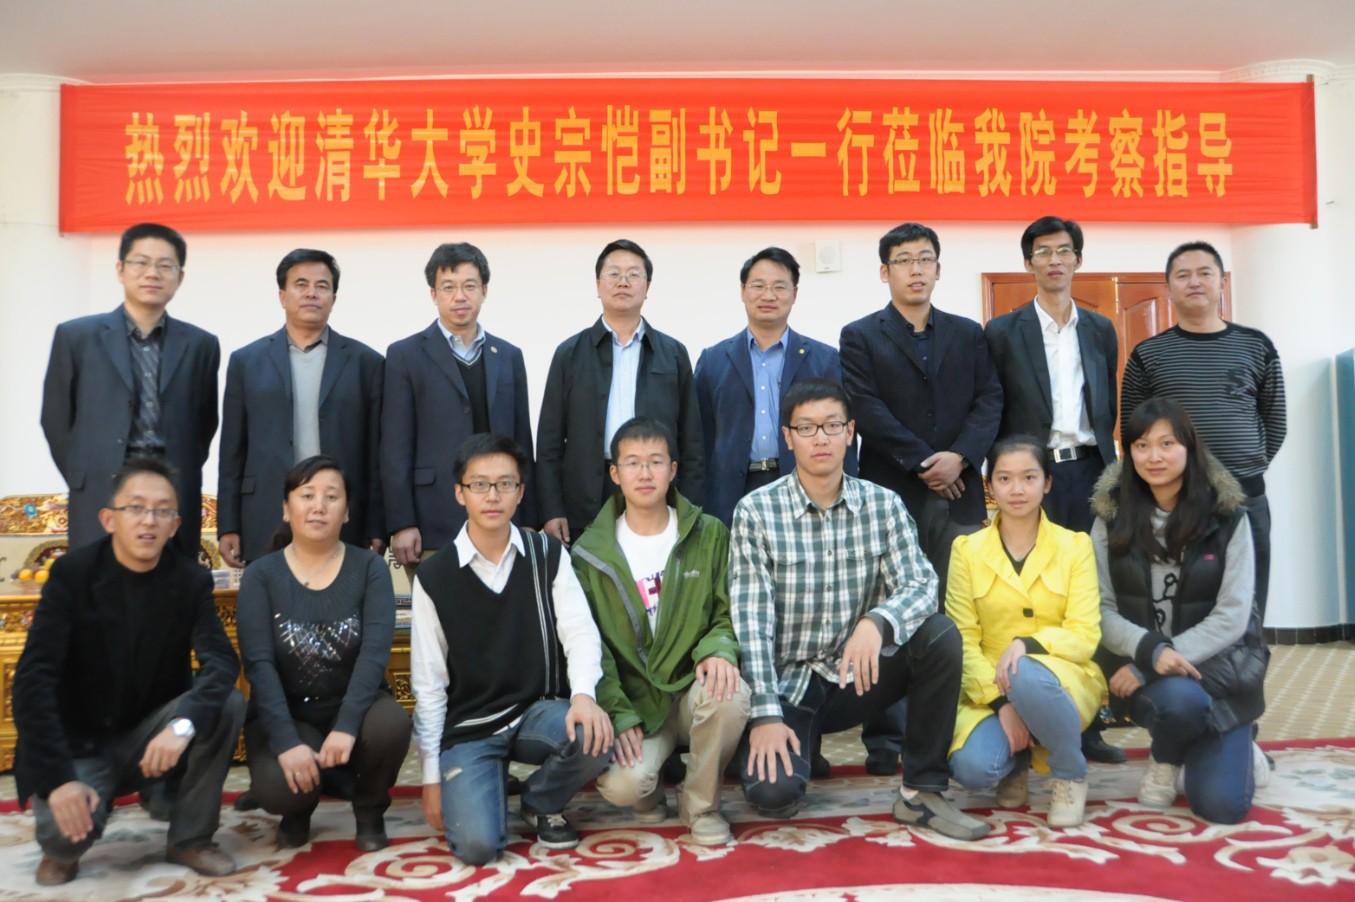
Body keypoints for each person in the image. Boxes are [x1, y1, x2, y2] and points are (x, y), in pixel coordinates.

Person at [729, 378, 989, 841]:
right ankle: (776, 748)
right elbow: (752, 622)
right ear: (787, 437)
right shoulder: (756, 512)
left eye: (832, 425)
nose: (821, 438)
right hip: (790, 685)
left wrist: (877, 622)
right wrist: (765, 716)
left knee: (938, 635)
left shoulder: (883, 504)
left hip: (857, 676)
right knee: (774, 796)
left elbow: (922, 584)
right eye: (806, 428)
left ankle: (922, 792)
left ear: (850, 432)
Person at [13, 457, 245, 886]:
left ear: (175, 525)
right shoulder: (72, 575)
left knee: (226, 704)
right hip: (79, 744)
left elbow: (221, 662)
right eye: (136, 508)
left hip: (150, 738)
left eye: (162, 511)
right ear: (109, 519)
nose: (148, 521)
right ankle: (78, 818)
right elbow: (32, 681)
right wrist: (58, 779)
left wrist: (181, 725)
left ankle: (190, 838)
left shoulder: (189, 580)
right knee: (64, 842)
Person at [840, 221, 1002, 775]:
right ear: (885, 272)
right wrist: (926, 462)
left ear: (938, 268)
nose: (916, 269)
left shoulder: (968, 333)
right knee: (888, 610)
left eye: (925, 259)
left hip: (960, 494)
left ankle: (954, 727)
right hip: (892, 494)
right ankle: (887, 737)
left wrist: (961, 456)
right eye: (904, 260)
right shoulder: (860, 336)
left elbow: (989, 400)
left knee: (957, 611)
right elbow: (866, 408)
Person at [410, 434, 612, 865]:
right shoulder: (434, 576)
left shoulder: (547, 554)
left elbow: (579, 631)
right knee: (478, 847)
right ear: (459, 493)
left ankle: (540, 800)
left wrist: (583, 696)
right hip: (471, 725)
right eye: (479, 484)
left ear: (520, 492)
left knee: (594, 735)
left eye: (505, 484)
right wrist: (431, 779)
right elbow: (429, 683)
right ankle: (486, 780)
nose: (492, 496)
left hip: (538, 711)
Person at [984, 216, 1125, 766]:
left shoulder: (1100, 329)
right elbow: (995, 408)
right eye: (1043, 252)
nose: (1055, 260)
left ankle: (1089, 725)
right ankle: (1027, 710)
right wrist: (1006, 477)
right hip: (1032, 475)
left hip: (1090, 473)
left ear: (1078, 260)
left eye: (1064, 251)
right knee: (1036, 592)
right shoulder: (1002, 332)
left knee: (1092, 592)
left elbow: (1106, 407)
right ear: (1029, 264)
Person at [572, 417, 749, 846]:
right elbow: (591, 647)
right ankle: (649, 794)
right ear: (615, 474)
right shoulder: (589, 554)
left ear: (673, 469)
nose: (645, 473)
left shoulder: (708, 534)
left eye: (655, 461)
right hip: (637, 703)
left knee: (731, 694)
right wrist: (618, 712)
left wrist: (718, 650)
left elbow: (726, 612)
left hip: (691, 691)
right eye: (632, 462)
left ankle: (701, 805)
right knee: (625, 786)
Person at [1091, 398, 1268, 824]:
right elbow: (1100, 609)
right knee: (1182, 703)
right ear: (1129, 453)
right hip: (1157, 678)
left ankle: (1237, 738)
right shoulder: (1109, 518)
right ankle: (1167, 756)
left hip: (1219, 670)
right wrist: (1149, 651)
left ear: (1189, 447)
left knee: (1221, 806)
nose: (1154, 456)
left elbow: (1233, 615)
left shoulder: (1228, 516)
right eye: (1142, 445)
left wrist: (1154, 660)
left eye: (1167, 444)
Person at [236, 455, 411, 851]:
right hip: (290, 713)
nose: (319, 506)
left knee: (391, 725)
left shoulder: (369, 568)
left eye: (331, 497)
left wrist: (347, 726)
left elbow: (374, 655)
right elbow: (259, 666)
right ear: (286, 508)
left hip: (354, 707)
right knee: (280, 790)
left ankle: (369, 809)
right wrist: (286, 741)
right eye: (307, 495)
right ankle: (299, 809)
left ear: (346, 512)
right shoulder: (261, 575)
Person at [945, 436, 1107, 828]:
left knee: (1026, 671)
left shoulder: (1075, 546)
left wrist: (1028, 645)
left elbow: (1085, 634)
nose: (1017, 489)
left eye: (1029, 477)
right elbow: (962, 639)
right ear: (990, 485)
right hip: (990, 686)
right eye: (1004, 479)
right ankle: (1016, 761)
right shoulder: (966, 550)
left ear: (1047, 483)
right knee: (973, 768)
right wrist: (1002, 704)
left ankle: (1070, 773)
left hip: (1061, 680)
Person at [1120, 241, 1285, 619]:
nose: (1194, 282)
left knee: (1248, 605)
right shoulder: (1148, 354)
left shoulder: (1256, 346)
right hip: (1174, 503)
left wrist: (1244, 466)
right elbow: (1133, 429)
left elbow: (1275, 421)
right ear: (1168, 287)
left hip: (1245, 497)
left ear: (1221, 283)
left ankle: (1247, 661)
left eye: (1204, 273)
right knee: (1181, 607)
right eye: (1183, 275)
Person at [41, 223, 219, 559]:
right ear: (120, 270)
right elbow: (56, 418)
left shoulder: (201, 345)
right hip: (99, 491)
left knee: (173, 584)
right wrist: (85, 477)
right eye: (141, 262)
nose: (152, 273)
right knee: (97, 584)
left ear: (180, 277)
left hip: (172, 491)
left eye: (165, 265)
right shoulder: (76, 337)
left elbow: (205, 423)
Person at [218, 249, 386, 568]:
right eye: (301, 284)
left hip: (342, 515)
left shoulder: (367, 364)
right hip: (265, 512)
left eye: (322, 286)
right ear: (282, 295)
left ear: (333, 298)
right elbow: (232, 453)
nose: (312, 293)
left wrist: (376, 523)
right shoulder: (246, 362)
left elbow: (376, 455)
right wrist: (229, 524)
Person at [382, 242, 536, 574]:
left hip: (501, 519)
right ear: (433, 294)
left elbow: (521, 440)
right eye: (448, 287)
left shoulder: (509, 356)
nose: (460, 296)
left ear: (484, 291)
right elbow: (395, 447)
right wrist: (402, 522)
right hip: (432, 520)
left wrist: (528, 517)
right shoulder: (405, 355)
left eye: (469, 286)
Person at [537, 239, 704, 544]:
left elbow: (692, 441)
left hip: (656, 490)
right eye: (613, 274)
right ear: (598, 285)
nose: (623, 282)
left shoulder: (673, 353)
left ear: (647, 286)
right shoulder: (569, 354)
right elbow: (549, 443)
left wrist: (689, 508)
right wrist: (551, 509)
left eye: (633, 274)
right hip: (586, 494)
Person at [694, 247, 855, 526]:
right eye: (758, 286)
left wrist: (846, 494)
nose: (768, 296)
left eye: (779, 287)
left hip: (805, 486)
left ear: (794, 294)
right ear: (743, 291)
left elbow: (842, 433)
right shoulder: (714, 360)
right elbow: (699, 439)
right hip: (731, 493)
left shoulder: (824, 359)